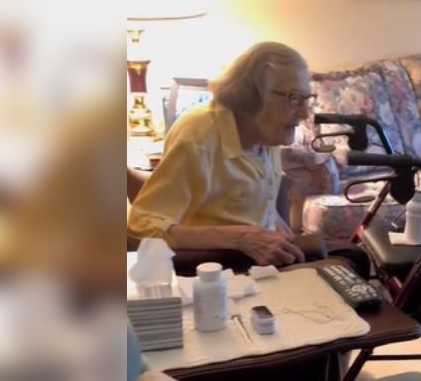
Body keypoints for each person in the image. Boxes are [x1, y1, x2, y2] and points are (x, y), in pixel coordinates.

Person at [127, 42, 368, 275]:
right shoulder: (198, 137)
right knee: (345, 265)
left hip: (260, 258)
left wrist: (283, 237)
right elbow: (142, 225)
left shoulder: (266, 131)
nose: (305, 113)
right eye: (294, 97)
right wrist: (240, 238)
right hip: (217, 266)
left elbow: (261, 204)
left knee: (353, 257)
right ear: (253, 95)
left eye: (307, 99)